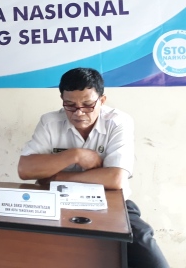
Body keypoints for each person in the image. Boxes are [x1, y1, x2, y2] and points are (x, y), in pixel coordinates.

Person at [17, 67, 169, 268]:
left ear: (102, 100)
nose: (78, 113)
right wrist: (75, 155)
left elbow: (115, 179)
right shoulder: (50, 122)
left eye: (88, 105)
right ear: (62, 100)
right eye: (70, 105)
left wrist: (57, 178)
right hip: (56, 203)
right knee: (21, 242)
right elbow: (25, 170)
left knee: (147, 252)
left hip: (111, 204)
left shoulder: (118, 122)